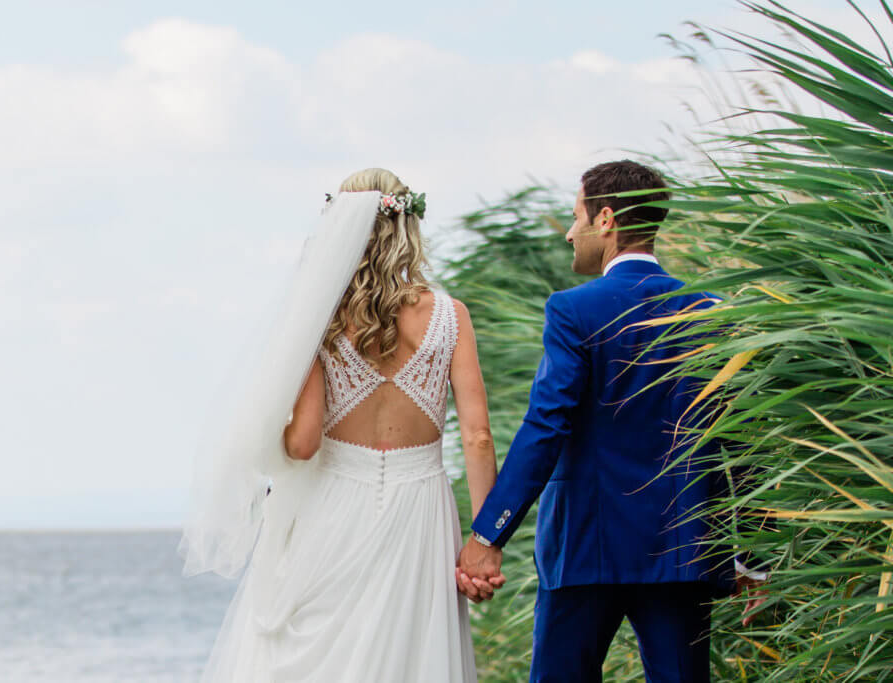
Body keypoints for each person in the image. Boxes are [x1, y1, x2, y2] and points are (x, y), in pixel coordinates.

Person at [456, 160, 766, 682]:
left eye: (576, 216)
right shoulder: (710, 311)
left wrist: (488, 535)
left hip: (584, 547)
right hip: (682, 549)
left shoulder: (574, 310)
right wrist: (754, 553)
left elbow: (545, 427)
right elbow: (743, 434)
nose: (571, 232)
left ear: (605, 220)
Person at [193, 168, 500, 682]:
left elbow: (305, 442)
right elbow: (478, 437)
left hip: (333, 506)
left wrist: (270, 433)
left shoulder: (322, 319)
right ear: (408, 229)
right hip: (418, 509)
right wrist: (484, 542)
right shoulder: (451, 317)